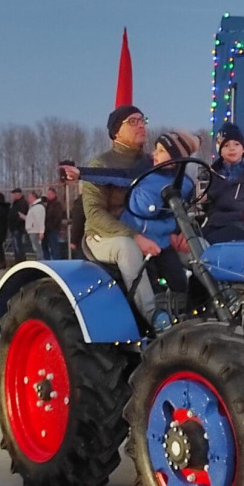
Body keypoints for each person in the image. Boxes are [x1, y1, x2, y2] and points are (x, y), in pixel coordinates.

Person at [79, 105, 168, 331]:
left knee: (194, 247)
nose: (141, 125)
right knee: (127, 248)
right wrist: (135, 236)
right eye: (132, 121)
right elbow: (95, 215)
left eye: (142, 120)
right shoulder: (99, 166)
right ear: (116, 132)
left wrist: (177, 233)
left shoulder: (152, 163)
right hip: (105, 236)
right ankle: (156, 318)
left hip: (146, 229)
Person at [119, 129, 200, 293]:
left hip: (162, 241)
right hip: (137, 237)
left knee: (179, 280)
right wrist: (80, 173)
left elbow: (182, 212)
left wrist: (182, 232)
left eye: (162, 151)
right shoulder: (142, 174)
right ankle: (154, 315)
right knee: (149, 279)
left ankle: (187, 310)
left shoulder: (186, 184)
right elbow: (108, 175)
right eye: (156, 148)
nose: (154, 153)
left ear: (177, 158)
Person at [8, 188, 29, 262]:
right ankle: (18, 261)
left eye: (14, 195)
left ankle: (21, 261)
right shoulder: (15, 203)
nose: (13, 196)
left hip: (18, 228)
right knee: (16, 247)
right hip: (14, 228)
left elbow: (21, 215)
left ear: (18, 194)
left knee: (19, 246)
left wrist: (15, 224)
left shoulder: (22, 203)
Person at [43, 186, 64, 259]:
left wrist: (51, 226)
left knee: (54, 248)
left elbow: (57, 217)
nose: (48, 195)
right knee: (46, 247)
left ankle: (57, 262)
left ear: (54, 194)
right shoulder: (47, 204)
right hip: (47, 230)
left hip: (53, 229)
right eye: (47, 194)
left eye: (50, 194)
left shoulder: (57, 205)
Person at [24, 190, 46, 260]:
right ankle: (40, 260)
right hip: (33, 229)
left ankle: (41, 262)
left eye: (29, 197)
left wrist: (41, 232)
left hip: (35, 230)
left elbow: (40, 219)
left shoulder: (38, 207)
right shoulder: (34, 206)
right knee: (37, 248)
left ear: (33, 197)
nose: (28, 199)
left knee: (38, 248)